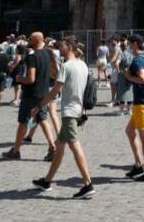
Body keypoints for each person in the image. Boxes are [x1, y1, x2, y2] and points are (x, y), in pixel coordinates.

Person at [29, 39, 95, 198]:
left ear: (70, 47)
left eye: (63, 46)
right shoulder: (83, 65)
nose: (60, 48)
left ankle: (88, 184)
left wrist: (39, 106)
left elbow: (54, 92)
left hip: (69, 112)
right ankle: (47, 180)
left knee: (75, 146)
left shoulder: (66, 66)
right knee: (59, 146)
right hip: (78, 109)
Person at [3, 32, 55, 161]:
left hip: (30, 94)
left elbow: (30, 78)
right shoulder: (48, 54)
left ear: (37, 40)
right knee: (42, 119)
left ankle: (16, 151)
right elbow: (54, 72)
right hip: (43, 92)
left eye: (30, 38)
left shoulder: (32, 57)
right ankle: (52, 147)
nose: (28, 40)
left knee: (23, 121)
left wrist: (20, 78)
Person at [123, 34, 144, 182]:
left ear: (135, 44)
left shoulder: (137, 60)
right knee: (130, 131)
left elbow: (143, 79)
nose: (129, 47)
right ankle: (138, 164)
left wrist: (129, 77)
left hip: (141, 104)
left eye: (130, 44)